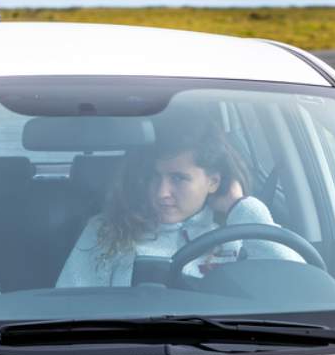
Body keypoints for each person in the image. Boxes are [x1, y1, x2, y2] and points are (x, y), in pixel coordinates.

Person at [56, 113, 303, 287]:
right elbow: (70, 306)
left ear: (213, 181)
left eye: (178, 178)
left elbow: (302, 288)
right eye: (153, 177)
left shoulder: (242, 230)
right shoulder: (107, 230)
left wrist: (243, 209)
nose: (162, 192)